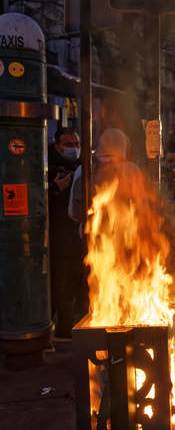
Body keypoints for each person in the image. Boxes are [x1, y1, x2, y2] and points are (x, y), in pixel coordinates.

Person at [48, 127, 84, 338]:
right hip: (58, 239)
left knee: (76, 285)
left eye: (76, 144)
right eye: (68, 144)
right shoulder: (49, 169)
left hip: (76, 239)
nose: (73, 149)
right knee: (60, 286)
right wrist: (54, 189)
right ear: (57, 146)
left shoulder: (81, 167)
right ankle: (62, 329)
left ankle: (72, 328)